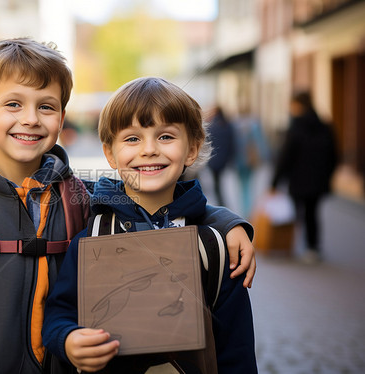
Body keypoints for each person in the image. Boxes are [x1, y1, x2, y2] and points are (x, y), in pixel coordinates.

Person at [0, 39, 256, 374]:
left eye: (46, 106)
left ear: (61, 120)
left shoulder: (78, 197)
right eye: (13, 104)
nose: (31, 118)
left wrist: (228, 222)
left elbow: (152, 202)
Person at [42, 77, 257, 373]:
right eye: (132, 138)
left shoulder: (216, 248)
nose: (149, 150)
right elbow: (59, 313)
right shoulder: (92, 236)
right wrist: (67, 339)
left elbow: (237, 348)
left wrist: (230, 224)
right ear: (110, 153)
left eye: (166, 137)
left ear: (192, 149)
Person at [271, 91, 337, 264]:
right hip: (318, 180)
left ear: (299, 105)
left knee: (296, 213)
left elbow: (286, 157)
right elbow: (334, 155)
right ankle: (312, 247)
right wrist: (327, 175)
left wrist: (275, 181)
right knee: (312, 212)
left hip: (298, 180)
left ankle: (292, 244)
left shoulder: (296, 127)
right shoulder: (324, 126)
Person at [206, 106, 235, 206]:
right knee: (219, 183)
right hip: (223, 160)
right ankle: (222, 202)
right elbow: (232, 144)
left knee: (216, 184)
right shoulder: (228, 126)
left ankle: (221, 203)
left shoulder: (212, 126)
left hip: (213, 160)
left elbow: (208, 143)